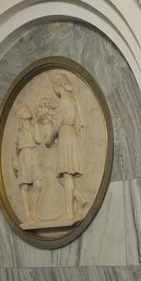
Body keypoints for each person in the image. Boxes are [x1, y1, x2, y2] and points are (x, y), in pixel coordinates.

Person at [51, 73, 86, 221]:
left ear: (59, 86)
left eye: (55, 88)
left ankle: (69, 212)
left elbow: (58, 123)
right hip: (69, 135)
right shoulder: (72, 99)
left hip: (66, 134)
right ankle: (80, 199)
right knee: (63, 177)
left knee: (66, 174)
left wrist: (49, 138)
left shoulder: (65, 101)